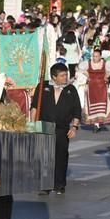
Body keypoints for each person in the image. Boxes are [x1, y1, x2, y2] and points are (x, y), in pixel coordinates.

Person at [29, 63, 81, 195]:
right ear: (54, 76)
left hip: (62, 128)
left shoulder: (71, 90)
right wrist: (32, 125)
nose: (65, 77)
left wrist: (74, 127)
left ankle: (59, 184)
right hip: (44, 126)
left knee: (61, 156)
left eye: (66, 75)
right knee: (44, 157)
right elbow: (34, 107)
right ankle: (44, 185)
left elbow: (77, 111)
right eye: (62, 75)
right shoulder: (43, 87)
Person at [75, 48, 110, 132]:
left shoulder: (105, 63)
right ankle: (95, 124)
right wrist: (88, 76)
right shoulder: (88, 63)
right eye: (93, 56)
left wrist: (106, 76)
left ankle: (97, 123)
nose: (94, 58)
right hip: (92, 87)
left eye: (96, 56)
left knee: (102, 105)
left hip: (102, 87)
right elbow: (81, 69)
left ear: (100, 56)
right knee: (92, 105)